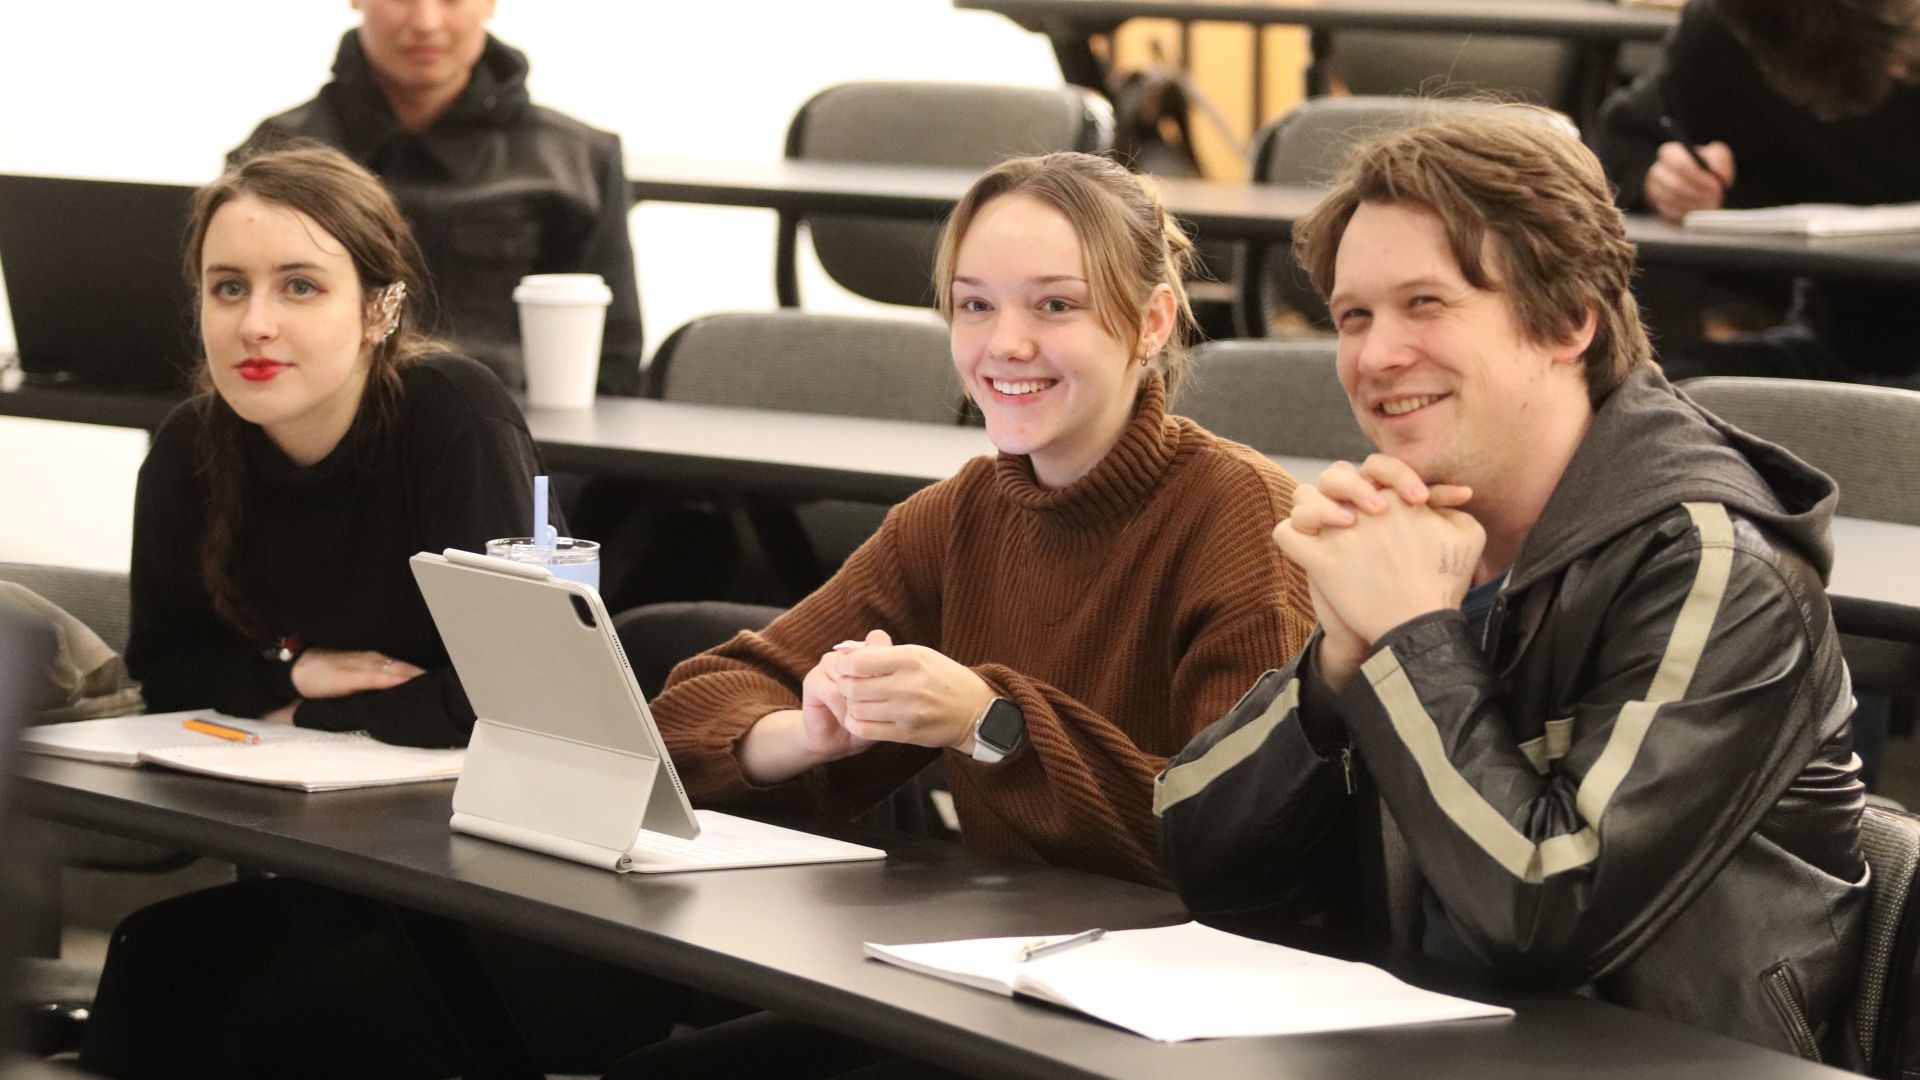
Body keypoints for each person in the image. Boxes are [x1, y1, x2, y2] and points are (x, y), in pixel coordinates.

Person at [1156, 108, 1868, 1062]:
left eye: (1427, 304)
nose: (1374, 356)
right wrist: (1338, 665)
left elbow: (1542, 906)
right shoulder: (1427, 533)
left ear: (1569, 319)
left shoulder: (1718, 568)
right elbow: (1199, 855)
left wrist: (1412, 635)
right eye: (1353, 316)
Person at [607, 151, 1316, 1078]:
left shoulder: (1242, 516)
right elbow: (691, 713)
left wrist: (992, 725)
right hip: (1003, 983)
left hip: (1186, 1021)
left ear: (1150, 322)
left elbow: (1236, 857)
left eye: (1054, 306)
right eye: (975, 304)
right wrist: (806, 734)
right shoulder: (963, 511)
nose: (1004, 344)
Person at [81, 144, 671, 1080]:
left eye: (301, 287)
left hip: (526, 883)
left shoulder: (454, 419)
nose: (255, 323)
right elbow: (171, 672)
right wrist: (295, 671)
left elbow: (505, 705)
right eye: (227, 288)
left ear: (379, 310)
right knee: (154, 970)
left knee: (268, 1020)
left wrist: (299, 707)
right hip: (353, 861)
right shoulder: (192, 443)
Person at [235, 0, 643, 395]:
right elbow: (223, 330)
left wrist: (530, 460)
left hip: (517, 450)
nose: (426, 21)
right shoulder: (275, 158)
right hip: (321, 443)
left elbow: (612, 364)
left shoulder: (578, 162)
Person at [1595, 0, 1920, 386]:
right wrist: (1662, 178)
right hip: (1844, 341)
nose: (1899, 71)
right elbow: (1624, 142)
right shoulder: (1720, 39)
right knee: (1661, 392)